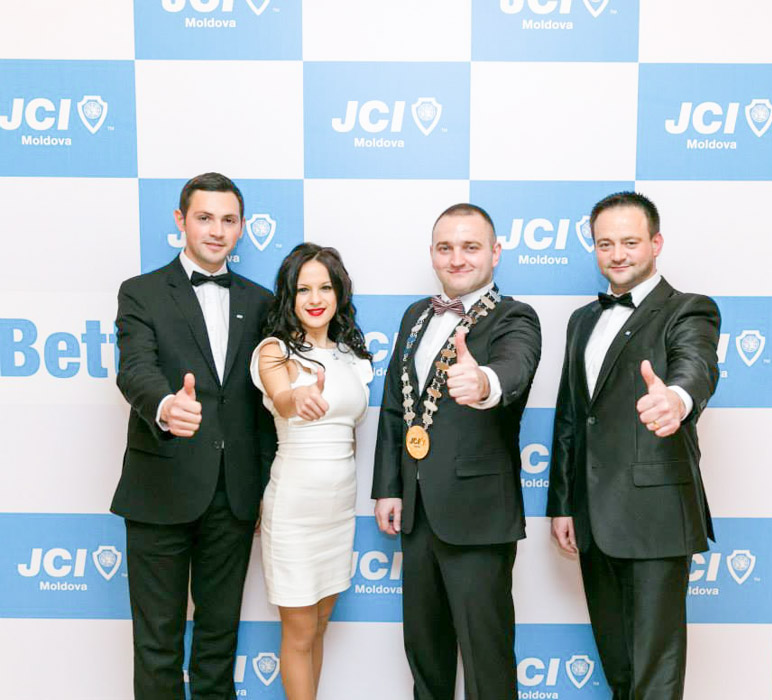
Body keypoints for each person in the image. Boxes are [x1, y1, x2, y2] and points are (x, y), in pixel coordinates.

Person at [546, 192, 721, 700]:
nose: (617, 254)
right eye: (605, 244)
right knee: (619, 668)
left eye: (630, 242)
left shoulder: (688, 309)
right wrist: (562, 504)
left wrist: (677, 400)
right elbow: (571, 417)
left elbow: (696, 366)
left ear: (656, 243)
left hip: (656, 515)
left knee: (655, 672)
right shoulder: (582, 320)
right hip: (592, 518)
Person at [111, 172, 276, 699]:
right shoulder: (140, 292)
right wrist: (165, 406)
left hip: (234, 496)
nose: (217, 231)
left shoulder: (263, 301)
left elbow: (264, 405)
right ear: (181, 220)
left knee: (218, 642)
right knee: (156, 643)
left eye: (228, 220)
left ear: (242, 227)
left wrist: (264, 489)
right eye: (204, 218)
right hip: (159, 487)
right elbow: (134, 369)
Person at [372, 203, 542, 700]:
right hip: (417, 513)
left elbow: (515, 367)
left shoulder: (515, 316)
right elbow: (394, 407)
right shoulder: (415, 315)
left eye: (470, 247)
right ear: (432, 253)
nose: (457, 259)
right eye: (446, 248)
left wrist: (484, 382)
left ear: (495, 252)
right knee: (425, 656)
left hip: (478, 517)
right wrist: (389, 488)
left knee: (487, 662)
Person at [250, 243, 373, 700]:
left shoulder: (350, 356)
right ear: (289, 295)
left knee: (319, 625)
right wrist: (297, 397)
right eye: (303, 289)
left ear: (339, 293)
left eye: (325, 287)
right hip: (295, 512)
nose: (315, 299)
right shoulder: (274, 351)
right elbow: (282, 398)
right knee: (300, 631)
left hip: (337, 513)